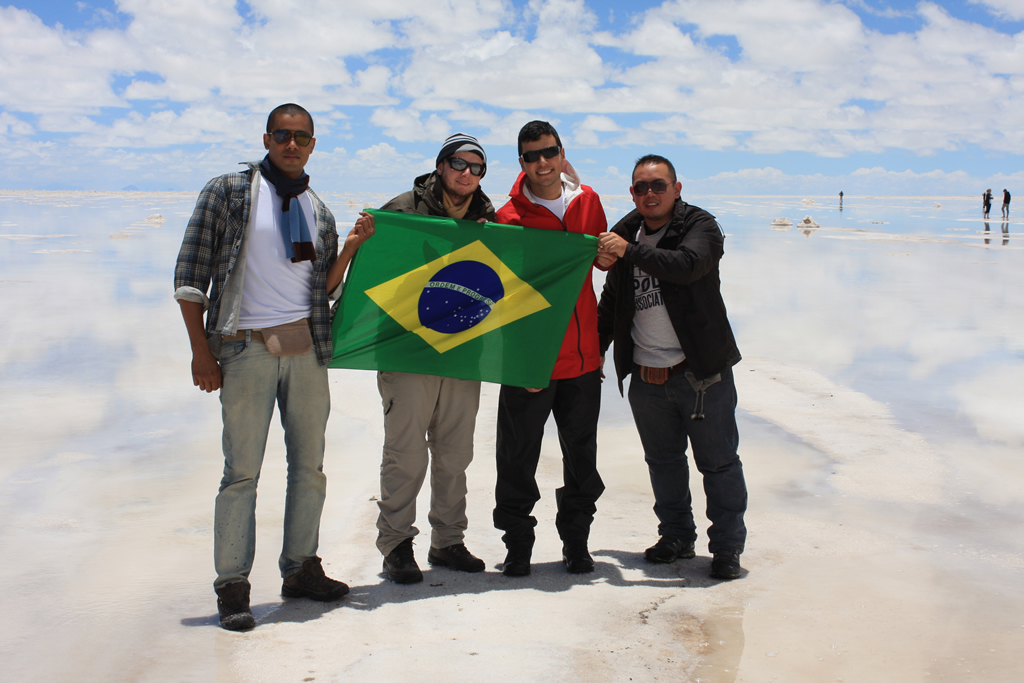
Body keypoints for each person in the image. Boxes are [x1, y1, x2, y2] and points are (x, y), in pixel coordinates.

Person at [174, 103, 373, 631]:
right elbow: (190, 276)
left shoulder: (317, 208)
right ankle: (232, 585)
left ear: (313, 145)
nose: (292, 145)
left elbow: (320, 288)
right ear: (266, 138)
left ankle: (301, 568)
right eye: (283, 135)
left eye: (301, 137)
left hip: (305, 349)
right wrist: (200, 351)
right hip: (244, 348)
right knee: (241, 472)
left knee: (310, 467)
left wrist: (350, 249)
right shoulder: (229, 192)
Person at [596, 154, 747, 581]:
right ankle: (677, 535)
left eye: (658, 185)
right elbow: (612, 302)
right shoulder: (627, 234)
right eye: (641, 187)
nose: (650, 193)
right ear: (632, 193)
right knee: (663, 463)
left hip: (701, 375)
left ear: (676, 189)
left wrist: (628, 250)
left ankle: (727, 548)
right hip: (647, 375)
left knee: (718, 464)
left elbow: (688, 266)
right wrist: (594, 351)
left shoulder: (701, 226)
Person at [492, 121, 615, 577]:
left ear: (562, 153)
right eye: (531, 156)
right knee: (516, 457)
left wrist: (606, 256)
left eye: (549, 152)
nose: (542, 163)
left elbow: (600, 260)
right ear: (521, 162)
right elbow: (499, 293)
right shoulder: (507, 217)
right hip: (530, 360)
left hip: (582, 357)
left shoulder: (588, 201)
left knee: (582, 458)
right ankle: (518, 545)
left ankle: (576, 543)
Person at [373, 133, 496, 584]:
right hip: (407, 352)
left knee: (455, 455)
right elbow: (372, 271)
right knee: (405, 454)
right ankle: (396, 544)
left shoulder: (489, 219)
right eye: (459, 164)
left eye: (476, 167)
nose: (467, 173)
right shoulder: (403, 211)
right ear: (441, 166)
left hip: (463, 353)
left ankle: (447, 540)